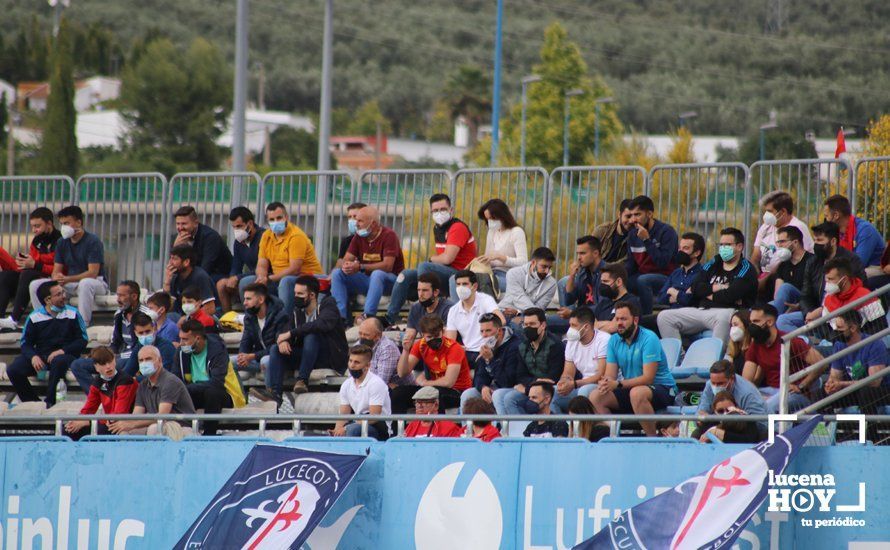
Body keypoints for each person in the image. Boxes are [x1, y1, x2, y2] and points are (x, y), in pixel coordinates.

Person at [590, 301, 678, 436]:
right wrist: (605, 383)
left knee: (637, 393)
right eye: (617, 319)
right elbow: (610, 375)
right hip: (632, 388)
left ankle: (653, 440)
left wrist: (618, 384)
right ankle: (613, 438)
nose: (619, 323)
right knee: (596, 396)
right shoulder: (613, 340)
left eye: (624, 319)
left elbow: (648, 378)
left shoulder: (649, 338)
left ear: (635, 320)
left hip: (662, 388)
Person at [386, 193, 477, 323]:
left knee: (424, 266)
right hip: (446, 272)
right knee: (405, 275)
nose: (439, 213)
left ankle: (426, 308)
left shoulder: (457, 227)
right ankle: (390, 318)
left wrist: (431, 258)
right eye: (435, 210)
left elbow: (447, 259)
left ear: (451, 210)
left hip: (461, 274)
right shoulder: (437, 228)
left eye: (443, 209)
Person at [657, 228, 757, 343]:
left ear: (739, 247)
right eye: (721, 244)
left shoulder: (745, 268)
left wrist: (705, 293)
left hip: (727, 312)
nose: (723, 248)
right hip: (702, 310)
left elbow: (730, 296)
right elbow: (695, 287)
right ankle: (679, 356)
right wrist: (719, 287)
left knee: (724, 317)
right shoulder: (715, 262)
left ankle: (716, 359)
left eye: (728, 244)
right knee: (664, 317)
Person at [7, 281, 87, 407]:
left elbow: (82, 340)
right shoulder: (35, 316)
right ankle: (32, 403)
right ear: (48, 300)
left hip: (66, 355)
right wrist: (33, 356)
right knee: (13, 369)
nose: (64, 296)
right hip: (42, 356)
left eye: (63, 292)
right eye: (59, 294)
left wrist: (62, 351)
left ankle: (50, 403)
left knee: (58, 361)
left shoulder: (73, 313)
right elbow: (25, 343)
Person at [776, 222, 865, 333]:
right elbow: (806, 294)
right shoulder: (813, 262)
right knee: (782, 320)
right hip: (815, 312)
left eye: (820, 241)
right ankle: (806, 344)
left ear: (833, 241)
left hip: (839, 314)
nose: (816, 244)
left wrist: (822, 311)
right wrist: (808, 313)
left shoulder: (851, 261)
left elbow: (857, 293)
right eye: (815, 240)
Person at [28, 205, 108, 325]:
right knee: (35, 285)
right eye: (61, 224)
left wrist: (67, 278)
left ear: (78, 222)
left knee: (85, 283)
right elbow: (56, 270)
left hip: (95, 283)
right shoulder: (62, 242)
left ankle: (82, 324)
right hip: (70, 284)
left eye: (67, 223)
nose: (63, 227)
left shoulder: (93, 241)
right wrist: (57, 278)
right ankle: (43, 322)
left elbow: (92, 273)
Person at [270, 275, 347, 398]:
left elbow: (321, 325)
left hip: (329, 357)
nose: (296, 297)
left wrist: (291, 334)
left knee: (311, 335)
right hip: (307, 356)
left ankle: (302, 380)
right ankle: (275, 395)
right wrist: (283, 341)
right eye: (295, 293)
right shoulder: (297, 311)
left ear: (312, 295)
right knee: (275, 349)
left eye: (300, 294)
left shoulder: (328, 304)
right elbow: (284, 330)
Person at [741, 304, 824, 413]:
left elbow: (821, 362)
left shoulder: (791, 341)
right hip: (771, 391)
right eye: (751, 322)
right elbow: (746, 381)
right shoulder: (756, 345)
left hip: (795, 394)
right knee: (744, 401)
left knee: (766, 407)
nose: (752, 326)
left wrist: (801, 386)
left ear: (769, 322)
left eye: (756, 321)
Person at [331, 205, 405, 323]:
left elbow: (388, 266)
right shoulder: (359, 236)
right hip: (369, 281)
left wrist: (360, 266)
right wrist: (346, 265)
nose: (356, 224)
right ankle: (340, 318)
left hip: (390, 282)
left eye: (360, 221)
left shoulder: (389, 235)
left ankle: (368, 315)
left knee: (377, 274)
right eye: (355, 220)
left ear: (373, 224)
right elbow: (346, 258)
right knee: (337, 274)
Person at [823, 312, 890, 440]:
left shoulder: (874, 344)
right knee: (820, 395)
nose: (836, 332)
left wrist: (841, 384)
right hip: (855, 391)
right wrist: (830, 385)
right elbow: (835, 376)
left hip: (882, 391)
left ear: (853, 328)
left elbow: (874, 382)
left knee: (866, 393)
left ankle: (872, 439)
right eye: (835, 328)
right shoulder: (839, 345)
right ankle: (828, 436)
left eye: (840, 329)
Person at [172, 319, 246, 435]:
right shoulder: (181, 352)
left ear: (197, 338)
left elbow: (217, 382)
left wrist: (187, 388)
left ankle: (209, 434)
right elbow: (175, 380)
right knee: (173, 393)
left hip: (226, 394)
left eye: (185, 339)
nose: (181, 343)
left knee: (212, 393)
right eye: (180, 338)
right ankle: (181, 432)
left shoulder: (217, 350)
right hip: (195, 391)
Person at [70, 281, 146, 392]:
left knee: (119, 365)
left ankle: (109, 395)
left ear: (134, 296)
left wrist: (117, 357)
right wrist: (103, 354)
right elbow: (115, 343)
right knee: (77, 365)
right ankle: (101, 395)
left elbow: (145, 345)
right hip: (118, 357)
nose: (117, 299)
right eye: (117, 295)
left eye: (122, 295)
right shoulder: (119, 314)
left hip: (134, 358)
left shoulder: (146, 314)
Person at [248, 202, 323, 314]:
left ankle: (285, 322)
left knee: (286, 281)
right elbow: (261, 264)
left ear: (286, 217)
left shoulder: (296, 236)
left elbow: (294, 269)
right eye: (272, 219)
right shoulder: (266, 235)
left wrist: (268, 279)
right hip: (279, 278)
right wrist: (261, 277)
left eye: (279, 218)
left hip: (306, 278)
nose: (276, 222)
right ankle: (254, 321)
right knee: (247, 282)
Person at [107, 345, 196, 437]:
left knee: (154, 429)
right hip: (160, 424)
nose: (144, 363)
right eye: (141, 360)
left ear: (160, 360)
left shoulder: (170, 381)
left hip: (181, 426)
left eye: (148, 359)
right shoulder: (143, 385)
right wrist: (120, 423)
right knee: (124, 432)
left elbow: (162, 416)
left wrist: (132, 424)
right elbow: (137, 415)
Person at [392, 314, 473, 414]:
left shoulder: (454, 348)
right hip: (432, 388)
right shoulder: (420, 345)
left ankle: (440, 428)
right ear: (422, 335)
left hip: (457, 391)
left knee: (434, 394)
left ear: (442, 332)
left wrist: (425, 383)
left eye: (437, 336)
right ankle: (398, 429)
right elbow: (401, 373)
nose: (433, 339)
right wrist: (405, 350)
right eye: (429, 337)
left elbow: (449, 382)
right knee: (398, 393)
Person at [494, 308, 566, 415]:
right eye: (525, 324)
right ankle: (519, 430)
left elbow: (552, 378)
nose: (528, 328)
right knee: (500, 395)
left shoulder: (555, 345)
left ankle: (556, 427)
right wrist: (533, 384)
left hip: (551, 388)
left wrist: (528, 388)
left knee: (549, 396)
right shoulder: (523, 346)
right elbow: (520, 375)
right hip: (531, 387)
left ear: (543, 325)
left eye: (532, 324)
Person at [0, 207, 61, 330]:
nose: (34, 230)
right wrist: (25, 262)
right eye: (32, 226)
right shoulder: (37, 241)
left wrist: (35, 264)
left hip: (49, 278)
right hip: (33, 275)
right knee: (5, 275)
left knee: (28, 274)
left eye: (37, 226)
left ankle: (14, 319)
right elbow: (33, 261)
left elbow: (59, 270)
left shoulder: (60, 241)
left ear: (49, 223)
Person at [63, 346, 138, 440]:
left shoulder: (125, 380)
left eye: (110, 361)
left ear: (115, 360)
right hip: (109, 422)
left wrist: (88, 422)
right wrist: (79, 421)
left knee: (99, 429)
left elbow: (119, 414)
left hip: (123, 423)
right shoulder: (98, 381)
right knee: (67, 430)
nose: (108, 366)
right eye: (103, 364)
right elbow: (88, 409)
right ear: (96, 367)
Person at [624, 195, 679, 315]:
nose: (633, 220)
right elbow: (631, 265)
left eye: (637, 214)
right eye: (631, 215)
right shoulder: (632, 235)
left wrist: (647, 241)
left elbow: (662, 263)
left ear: (649, 214)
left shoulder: (666, 232)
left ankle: (646, 318)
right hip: (641, 276)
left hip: (666, 278)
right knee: (614, 281)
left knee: (643, 280)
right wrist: (617, 275)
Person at [640, 232, 705, 333]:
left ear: (697, 253)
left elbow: (690, 301)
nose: (680, 251)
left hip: (689, 318)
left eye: (686, 248)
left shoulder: (702, 274)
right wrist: (680, 295)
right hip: (669, 315)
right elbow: (661, 298)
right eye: (680, 248)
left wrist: (673, 292)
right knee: (636, 322)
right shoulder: (676, 273)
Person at [458, 312, 520, 413]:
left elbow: (508, 382)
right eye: (482, 331)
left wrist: (490, 360)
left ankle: (504, 428)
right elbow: (478, 377)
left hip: (512, 388)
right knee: (468, 394)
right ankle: (468, 428)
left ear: (499, 331)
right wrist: (483, 386)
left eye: (488, 331)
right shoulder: (488, 345)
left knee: (497, 394)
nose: (484, 335)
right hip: (494, 388)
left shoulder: (514, 346)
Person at [553, 307, 610, 413]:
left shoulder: (604, 340)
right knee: (552, 393)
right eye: (570, 325)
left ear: (586, 327)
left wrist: (574, 384)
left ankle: (584, 429)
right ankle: (561, 427)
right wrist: (564, 381)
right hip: (581, 384)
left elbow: (601, 375)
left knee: (583, 392)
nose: (570, 329)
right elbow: (568, 372)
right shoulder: (571, 341)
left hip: (602, 385)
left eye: (574, 326)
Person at [331, 345, 391, 441]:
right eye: (350, 361)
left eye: (357, 362)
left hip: (379, 427)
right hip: (358, 422)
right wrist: (337, 431)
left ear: (367, 366)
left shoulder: (376, 383)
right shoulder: (346, 384)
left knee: (353, 430)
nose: (352, 365)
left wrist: (346, 428)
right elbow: (343, 414)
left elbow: (374, 417)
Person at [695, 359, 767, 437]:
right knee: (697, 433)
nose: (715, 387)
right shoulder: (709, 385)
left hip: (751, 432)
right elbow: (701, 412)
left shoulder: (747, 394)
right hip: (722, 427)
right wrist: (701, 419)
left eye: (720, 383)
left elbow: (760, 426)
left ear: (732, 379)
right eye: (713, 383)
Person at [445, 270, 504, 363]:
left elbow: (501, 320)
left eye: (464, 284)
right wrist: (457, 348)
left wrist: (489, 346)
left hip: (486, 350)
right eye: (458, 284)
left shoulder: (485, 300)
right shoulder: (453, 311)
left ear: (475, 286)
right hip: (466, 352)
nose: (460, 287)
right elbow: (450, 340)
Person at [237, 283, 288, 389]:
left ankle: (271, 396)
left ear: (260, 299)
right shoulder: (249, 317)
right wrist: (243, 356)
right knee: (229, 363)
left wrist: (253, 356)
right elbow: (245, 341)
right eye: (244, 299)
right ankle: (241, 398)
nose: (244, 303)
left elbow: (276, 347)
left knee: (266, 360)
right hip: (257, 359)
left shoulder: (280, 315)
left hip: (276, 360)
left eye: (248, 299)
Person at [750, 191, 814, 275]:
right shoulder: (765, 227)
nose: (766, 215)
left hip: (787, 276)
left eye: (770, 211)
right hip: (763, 276)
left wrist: (768, 278)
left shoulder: (798, 228)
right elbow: (755, 256)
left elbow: (801, 259)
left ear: (783, 211)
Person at [473, 198, 529, 292]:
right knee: (457, 279)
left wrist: (501, 257)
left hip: (509, 277)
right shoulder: (492, 232)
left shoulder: (516, 232)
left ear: (502, 215)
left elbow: (523, 262)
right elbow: (489, 258)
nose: (490, 222)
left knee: (484, 282)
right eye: (487, 219)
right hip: (492, 273)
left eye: (492, 218)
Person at [823, 194, 885, 277]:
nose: (825, 220)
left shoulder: (865, 230)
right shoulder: (835, 232)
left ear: (836, 215)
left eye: (826, 216)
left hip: (874, 270)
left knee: (838, 277)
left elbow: (859, 264)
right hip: (852, 269)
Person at [552, 235, 605, 332]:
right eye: (578, 254)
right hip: (578, 316)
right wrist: (572, 276)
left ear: (595, 253)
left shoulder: (606, 273)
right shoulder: (583, 272)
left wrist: (573, 313)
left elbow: (602, 307)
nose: (579, 258)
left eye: (583, 253)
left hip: (593, 320)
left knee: (544, 323)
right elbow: (568, 300)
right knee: (541, 322)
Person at [822, 257, 887, 335]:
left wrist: (857, 339)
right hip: (838, 344)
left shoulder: (865, 296)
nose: (827, 283)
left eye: (831, 279)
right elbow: (826, 327)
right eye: (826, 279)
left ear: (844, 279)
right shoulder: (828, 298)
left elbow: (880, 325)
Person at [217, 206, 264, 313]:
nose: (237, 231)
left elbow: (263, 268)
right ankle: (228, 320)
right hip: (249, 275)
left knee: (244, 281)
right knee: (221, 284)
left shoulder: (263, 237)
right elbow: (236, 265)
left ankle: (249, 318)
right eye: (234, 227)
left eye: (239, 226)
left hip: (263, 275)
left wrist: (238, 277)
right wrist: (232, 277)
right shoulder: (239, 242)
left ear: (250, 224)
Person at [171, 206, 232, 283]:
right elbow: (173, 268)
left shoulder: (210, 237)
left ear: (195, 223)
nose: (180, 228)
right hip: (197, 275)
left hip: (218, 275)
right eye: (178, 224)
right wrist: (176, 249)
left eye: (184, 224)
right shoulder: (178, 239)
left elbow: (206, 268)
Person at [498, 247, 557, 322]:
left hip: (530, 317)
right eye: (544, 267)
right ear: (533, 263)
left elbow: (540, 308)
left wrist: (519, 313)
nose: (547, 271)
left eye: (549, 267)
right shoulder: (513, 273)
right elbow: (518, 298)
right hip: (506, 311)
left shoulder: (552, 284)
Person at [769, 226, 815, 315]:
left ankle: (772, 322)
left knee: (786, 287)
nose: (779, 245)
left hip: (806, 302)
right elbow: (777, 294)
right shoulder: (783, 264)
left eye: (782, 242)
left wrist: (799, 305)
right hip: (784, 303)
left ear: (795, 242)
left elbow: (815, 292)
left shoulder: (812, 261)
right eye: (778, 242)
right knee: (760, 310)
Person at [163, 245, 216, 316]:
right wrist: (167, 283)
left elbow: (210, 308)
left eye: (175, 259)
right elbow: (169, 307)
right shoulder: (175, 277)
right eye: (171, 258)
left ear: (186, 262)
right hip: (184, 315)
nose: (171, 263)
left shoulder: (200, 276)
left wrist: (187, 318)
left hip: (204, 318)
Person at [592, 262, 641, 334]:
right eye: (601, 282)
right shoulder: (603, 303)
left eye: (606, 281)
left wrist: (598, 325)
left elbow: (613, 327)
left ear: (618, 282)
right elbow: (591, 327)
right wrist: (608, 323)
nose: (602, 285)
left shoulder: (631, 302)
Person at [357, 317, 406, 387]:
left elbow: (381, 382)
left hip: (400, 389)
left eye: (366, 335)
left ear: (378, 335)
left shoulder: (387, 348)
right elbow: (352, 376)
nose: (362, 337)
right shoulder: (358, 344)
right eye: (360, 334)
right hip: (372, 387)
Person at [697, 392, 761, 444]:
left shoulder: (748, 421)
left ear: (736, 407)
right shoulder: (708, 424)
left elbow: (751, 441)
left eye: (728, 410)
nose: (725, 414)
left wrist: (720, 434)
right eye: (720, 411)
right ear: (714, 411)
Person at [592, 198, 635, 263]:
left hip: (618, 271)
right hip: (598, 270)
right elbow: (588, 253)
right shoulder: (602, 231)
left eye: (634, 217)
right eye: (628, 216)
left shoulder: (637, 236)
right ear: (619, 215)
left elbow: (627, 262)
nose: (631, 221)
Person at [335, 202, 367, 269]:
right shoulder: (346, 241)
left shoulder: (373, 238)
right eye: (349, 217)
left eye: (355, 216)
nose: (352, 220)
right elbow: (340, 263)